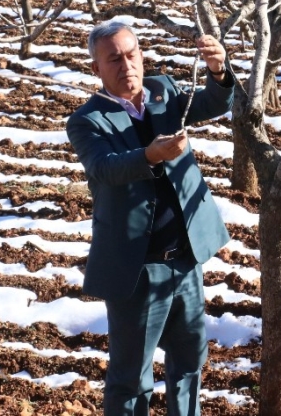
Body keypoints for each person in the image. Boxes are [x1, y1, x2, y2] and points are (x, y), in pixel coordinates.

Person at [67, 20, 233, 416]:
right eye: (114, 59)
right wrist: (150, 155)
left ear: (141, 54)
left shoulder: (162, 90)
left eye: (131, 54)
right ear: (97, 70)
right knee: (132, 380)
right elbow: (104, 168)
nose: (126, 66)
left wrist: (218, 70)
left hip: (185, 259)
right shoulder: (87, 120)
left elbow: (215, 103)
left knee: (190, 363)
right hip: (138, 269)